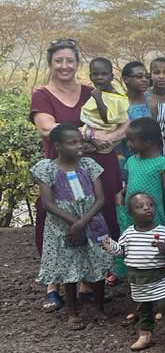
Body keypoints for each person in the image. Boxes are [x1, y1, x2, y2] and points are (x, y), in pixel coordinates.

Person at [31, 40, 123, 309]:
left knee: (97, 218)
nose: (64, 66)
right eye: (59, 60)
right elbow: (47, 127)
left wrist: (111, 136)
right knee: (56, 222)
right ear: (50, 63)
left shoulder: (91, 91)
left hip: (95, 164)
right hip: (61, 167)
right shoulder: (42, 95)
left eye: (70, 60)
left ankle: (86, 279)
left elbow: (116, 120)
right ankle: (53, 283)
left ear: (77, 63)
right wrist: (90, 134)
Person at [32, 123, 113, 328]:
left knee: (97, 261)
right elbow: (48, 203)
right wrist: (73, 223)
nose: (79, 146)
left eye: (80, 141)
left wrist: (83, 222)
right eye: (72, 142)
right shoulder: (47, 168)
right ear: (58, 146)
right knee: (70, 265)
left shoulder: (88, 165)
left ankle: (99, 308)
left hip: (91, 221)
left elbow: (100, 198)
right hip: (63, 226)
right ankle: (72, 312)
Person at [100, 193, 165, 353]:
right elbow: (121, 251)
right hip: (137, 278)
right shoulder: (129, 233)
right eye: (140, 206)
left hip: (158, 277)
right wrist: (109, 245)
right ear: (131, 213)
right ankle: (145, 334)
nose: (146, 208)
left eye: (150, 205)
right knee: (143, 307)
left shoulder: (162, 231)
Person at [118, 118, 165, 236]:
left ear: (148, 142)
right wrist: (121, 194)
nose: (128, 144)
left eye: (131, 140)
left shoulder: (162, 164)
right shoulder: (130, 161)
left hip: (153, 215)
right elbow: (132, 184)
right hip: (133, 214)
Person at [81, 57, 129, 154]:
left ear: (111, 77)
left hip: (107, 138)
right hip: (90, 140)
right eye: (95, 74)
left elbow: (109, 119)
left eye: (104, 74)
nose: (99, 77)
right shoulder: (97, 91)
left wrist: (98, 99)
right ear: (90, 77)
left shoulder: (117, 97)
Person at [119, 61, 152, 159]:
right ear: (126, 79)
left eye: (147, 76)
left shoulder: (152, 101)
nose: (144, 80)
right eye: (139, 77)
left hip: (153, 157)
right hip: (127, 158)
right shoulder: (119, 103)